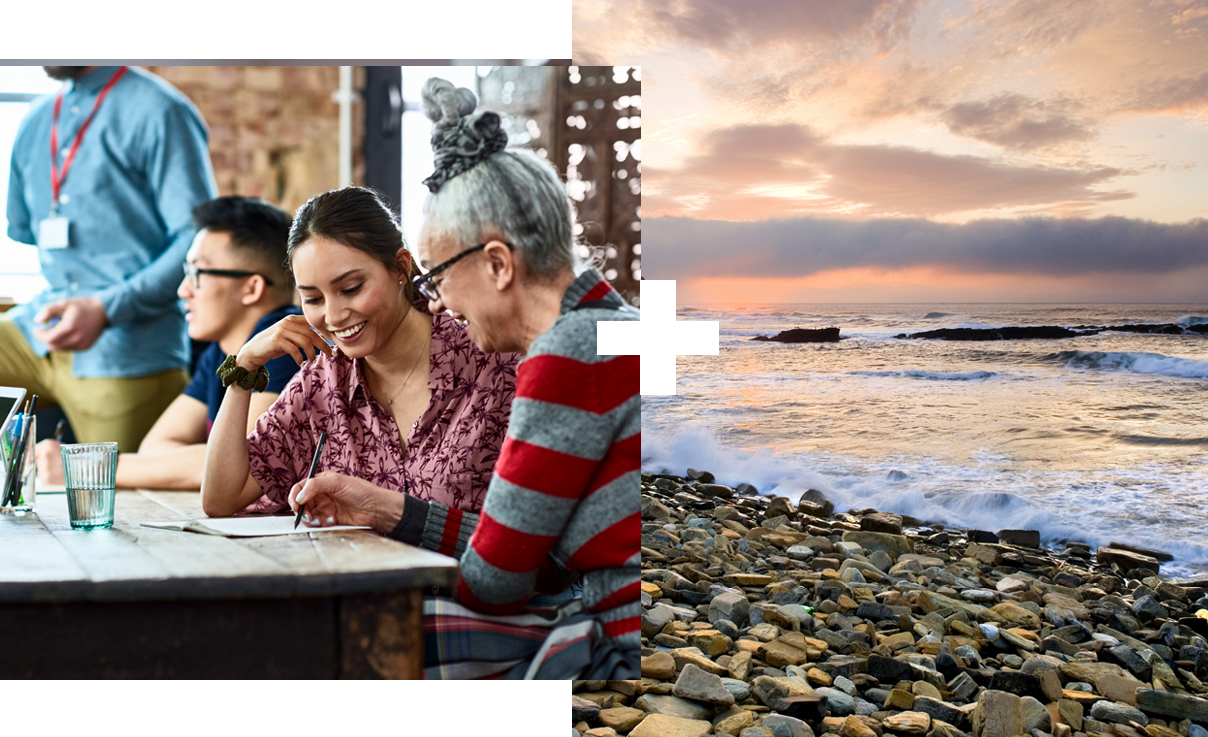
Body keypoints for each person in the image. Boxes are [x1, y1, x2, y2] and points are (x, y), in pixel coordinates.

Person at [286, 78, 640, 680]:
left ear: (499, 264)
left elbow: (494, 583)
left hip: (622, 645)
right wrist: (385, 507)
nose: (440, 303)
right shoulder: (614, 325)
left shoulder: (568, 357)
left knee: (351, 638)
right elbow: (539, 554)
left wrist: (399, 525)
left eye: (440, 276)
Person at [199, 186, 518, 519]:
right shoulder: (321, 383)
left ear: (400, 268)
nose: (334, 317)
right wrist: (244, 366)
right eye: (313, 299)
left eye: (351, 289)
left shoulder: (490, 359)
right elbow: (221, 499)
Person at [2, 66, 218, 451]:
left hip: (128, 348)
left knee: (117, 501)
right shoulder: (35, 120)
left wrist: (105, 307)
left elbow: (196, 239)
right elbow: (21, 228)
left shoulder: (160, 110)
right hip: (39, 331)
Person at [35, 196, 302, 489]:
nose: (182, 290)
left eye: (197, 274)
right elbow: (156, 446)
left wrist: (88, 468)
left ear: (251, 288)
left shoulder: (282, 345)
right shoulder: (221, 353)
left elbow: (241, 466)